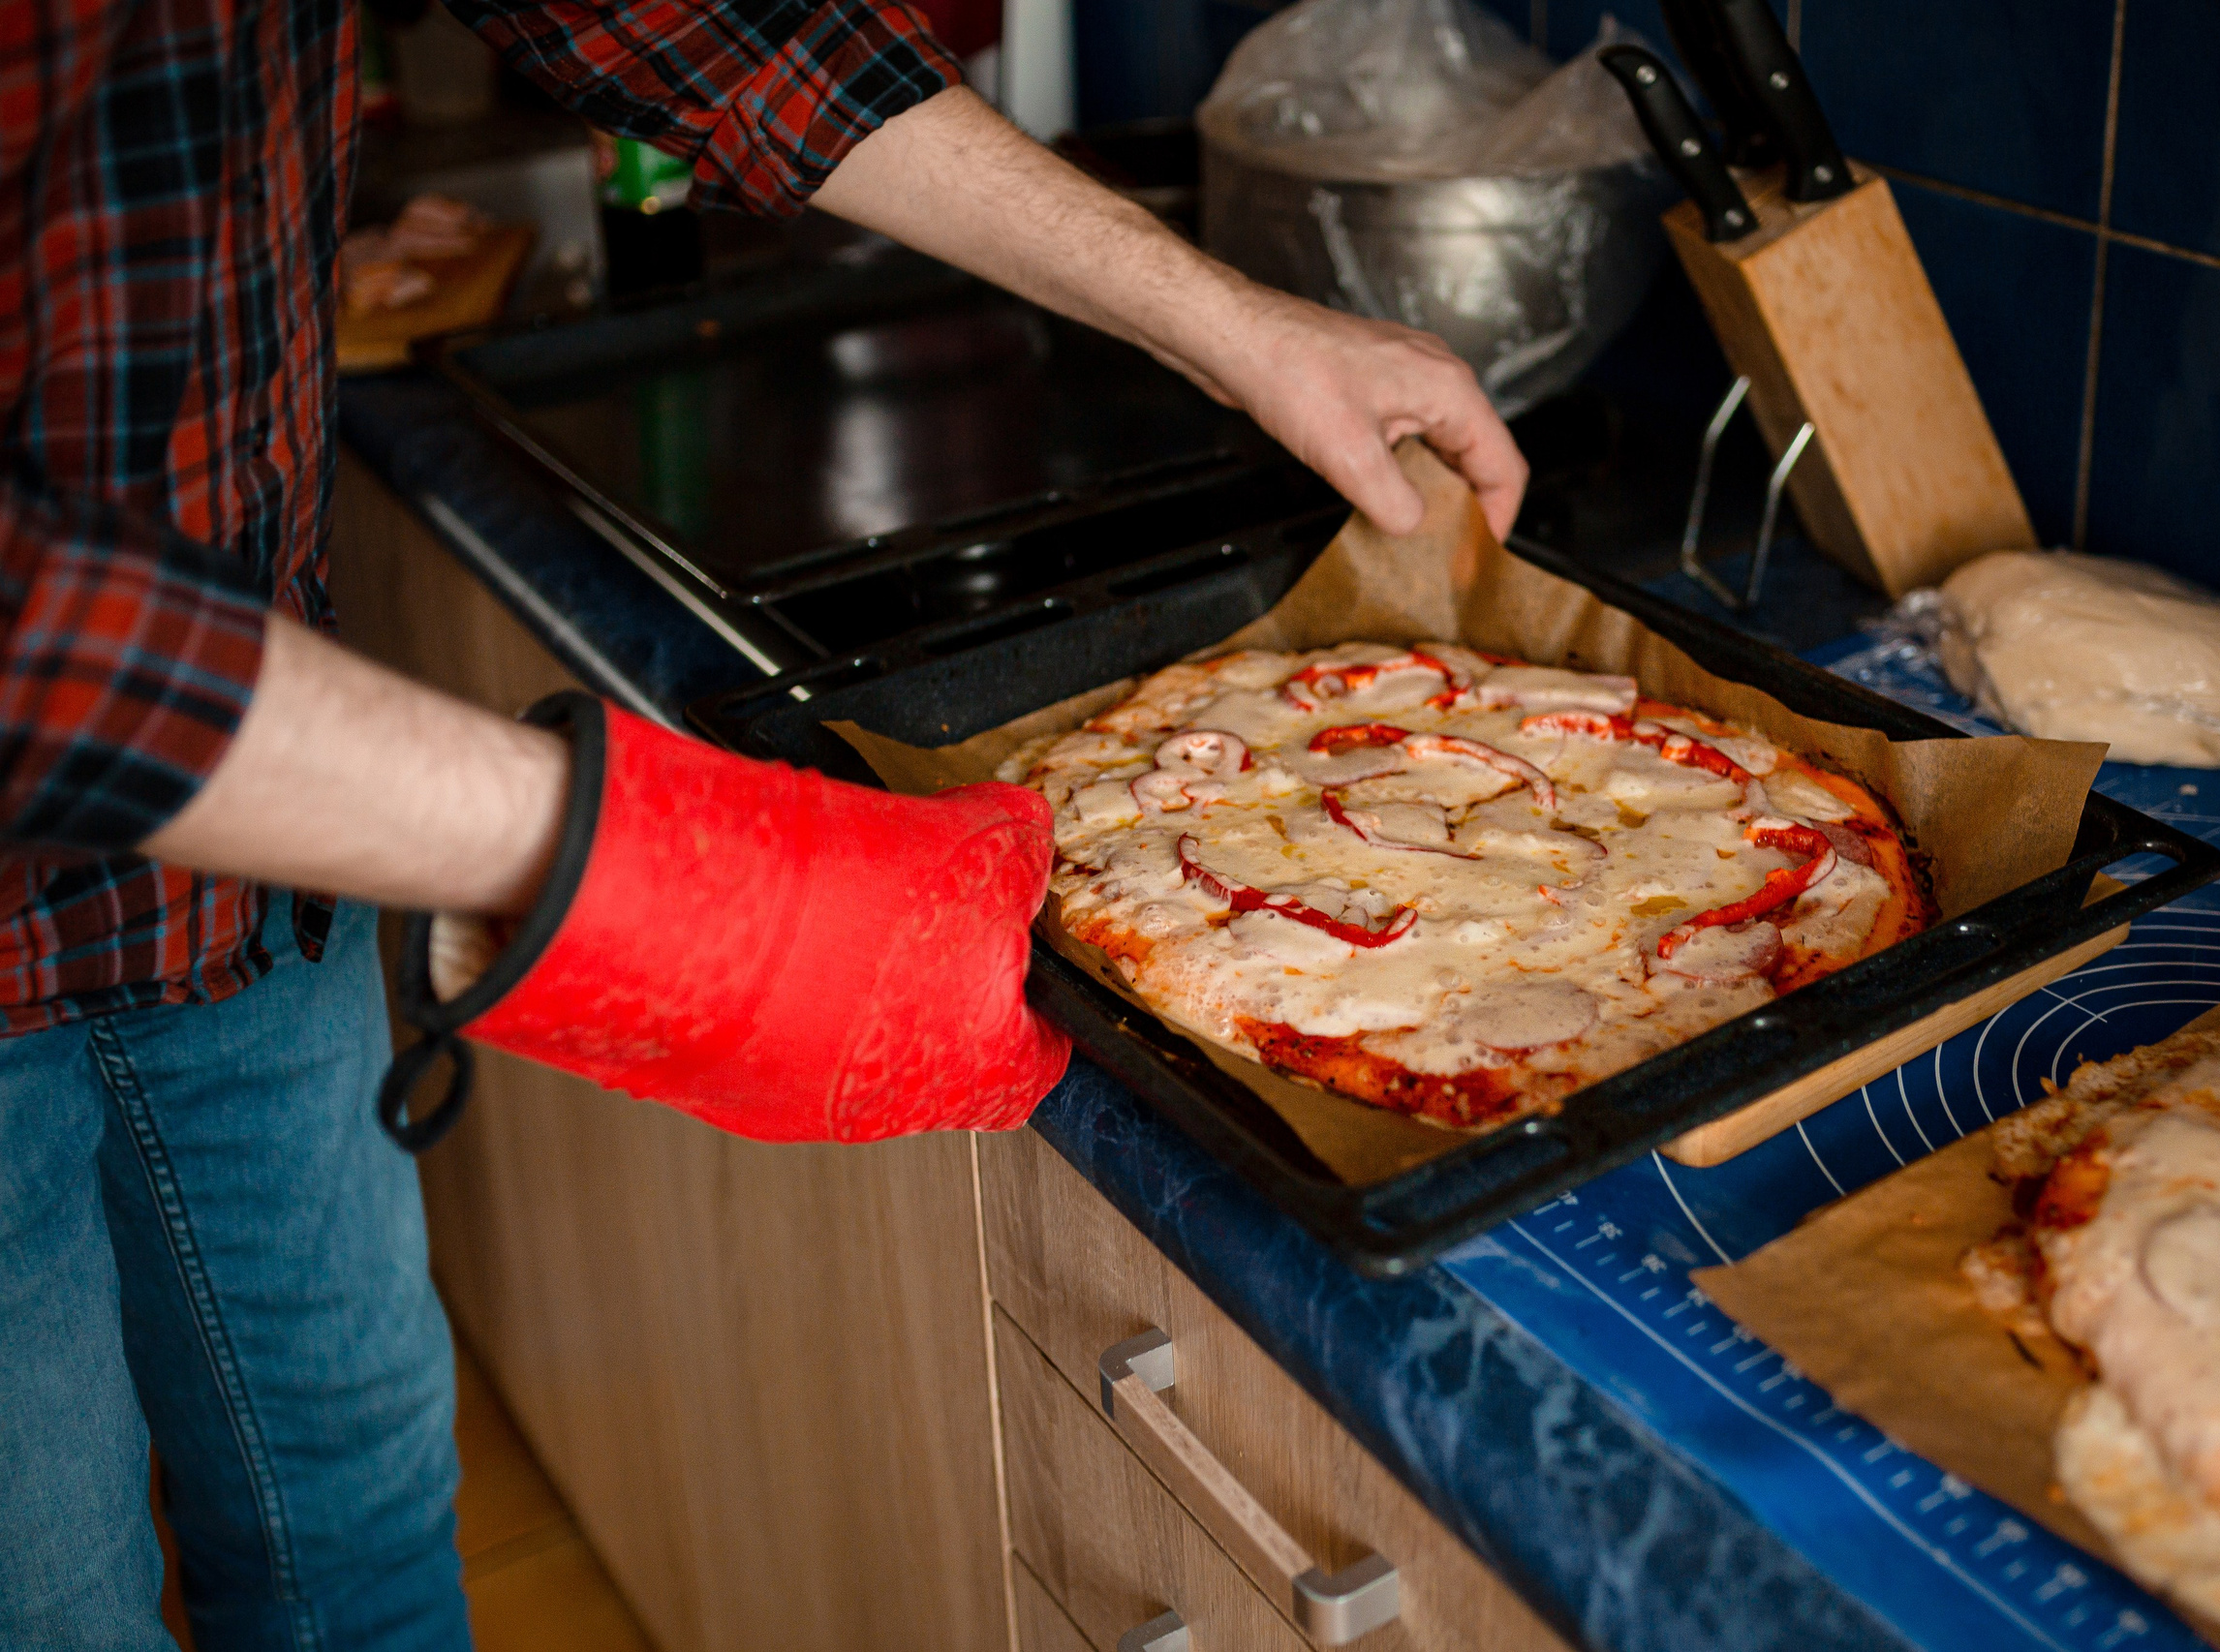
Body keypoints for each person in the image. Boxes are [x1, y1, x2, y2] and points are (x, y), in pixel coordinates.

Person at [0, 0, 1526, 1644]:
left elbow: (706, 28)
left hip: (255, 870)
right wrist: (651, 872)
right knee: (59, 1597)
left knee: (357, 1523)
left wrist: (1229, 323)